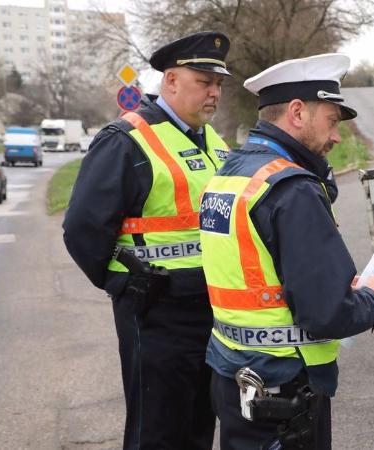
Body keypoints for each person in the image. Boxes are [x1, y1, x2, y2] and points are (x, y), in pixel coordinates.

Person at [199, 53, 374, 450]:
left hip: (234, 377)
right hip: (284, 390)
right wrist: (372, 299)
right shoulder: (292, 189)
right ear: (297, 112)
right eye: (331, 121)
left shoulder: (228, 174)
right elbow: (326, 312)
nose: (336, 136)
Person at [62, 31, 233, 450]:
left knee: (198, 425)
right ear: (171, 81)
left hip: (210, 309)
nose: (214, 94)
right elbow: (83, 228)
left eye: (219, 85)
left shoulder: (212, 140)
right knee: (156, 433)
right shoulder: (125, 140)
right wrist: (123, 284)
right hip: (157, 313)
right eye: (204, 83)